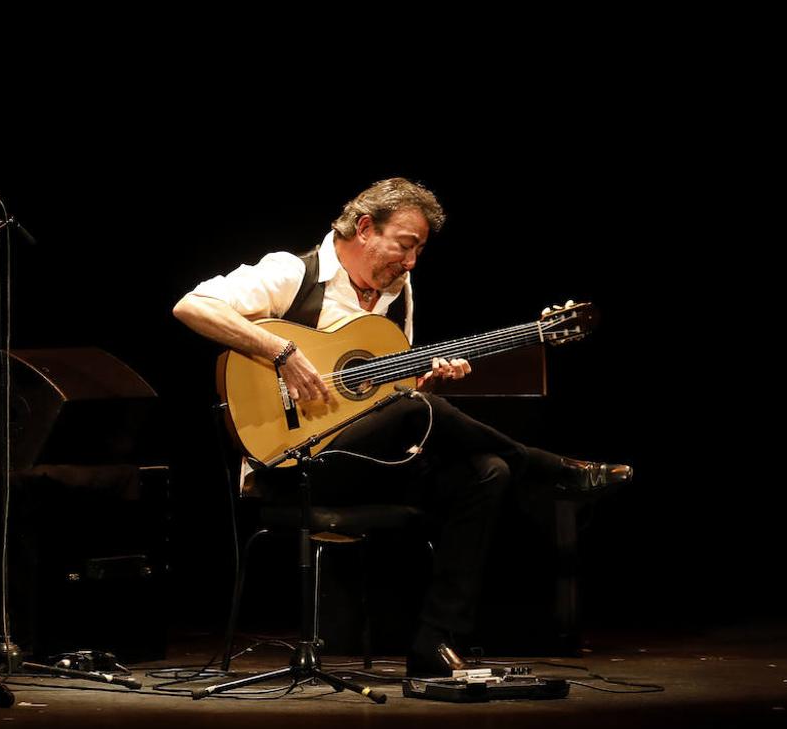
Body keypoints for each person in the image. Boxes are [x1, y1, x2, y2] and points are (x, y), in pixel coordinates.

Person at [172, 177, 630, 676]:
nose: (410, 263)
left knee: (487, 470)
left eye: (418, 252)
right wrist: (281, 353)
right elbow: (192, 306)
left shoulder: (398, 293)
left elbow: (393, 401)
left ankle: (433, 641)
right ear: (365, 228)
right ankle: (549, 469)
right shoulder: (293, 273)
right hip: (291, 464)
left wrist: (431, 382)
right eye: (405, 246)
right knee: (418, 412)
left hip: (368, 462)